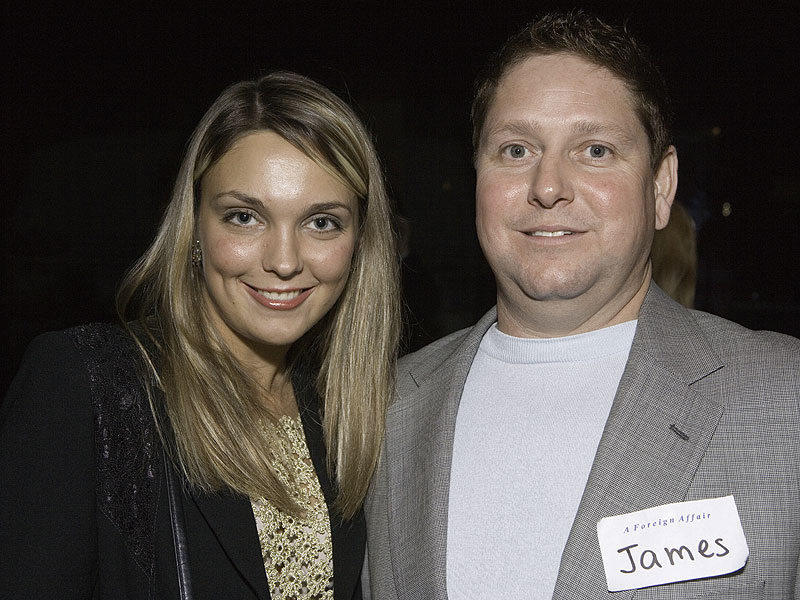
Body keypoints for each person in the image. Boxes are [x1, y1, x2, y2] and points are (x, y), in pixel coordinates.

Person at [363, 11, 799, 600]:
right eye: (516, 149)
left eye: (595, 150)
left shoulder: (782, 396)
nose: (548, 186)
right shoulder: (385, 411)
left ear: (661, 186)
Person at [1, 71, 401, 599]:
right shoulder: (89, 387)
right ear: (194, 228)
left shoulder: (345, 415)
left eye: (322, 222)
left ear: (358, 243)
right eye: (244, 217)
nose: (284, 261)